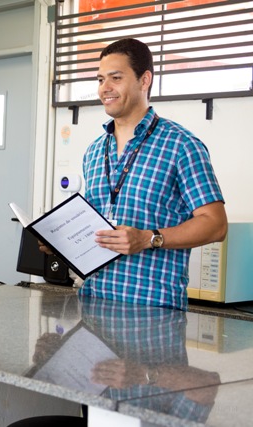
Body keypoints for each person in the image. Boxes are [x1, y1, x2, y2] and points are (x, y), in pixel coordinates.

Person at [79, 38, 227, 310]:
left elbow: (216, 225)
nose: (105, 88)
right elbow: (95, 229)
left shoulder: (181, 145)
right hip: (93, 306)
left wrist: (148, 238)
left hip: (152, 314)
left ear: (144, 80)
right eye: (100, 80)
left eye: (115, 78)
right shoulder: (94, 151)